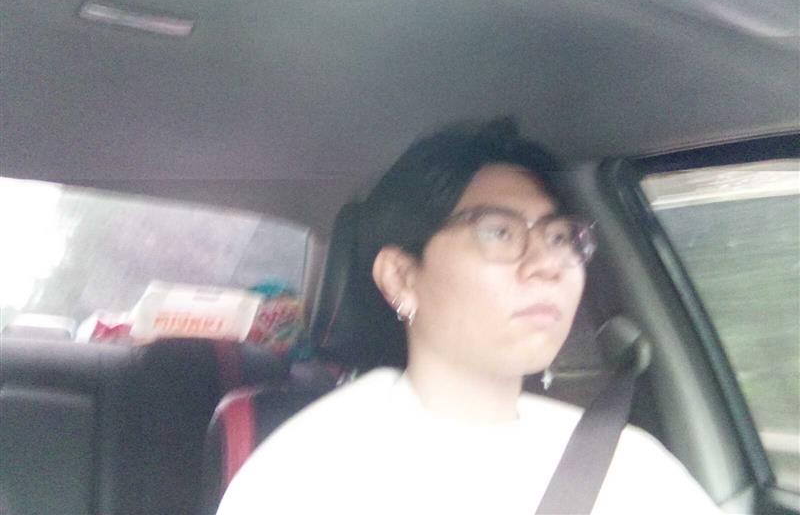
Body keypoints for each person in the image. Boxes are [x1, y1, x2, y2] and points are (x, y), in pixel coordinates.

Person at [216, 118, 721, 514]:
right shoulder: (311, 472)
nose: (549, 264)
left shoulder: (627, 461)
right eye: (498, 231)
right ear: (401, 277)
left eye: (560, 236)